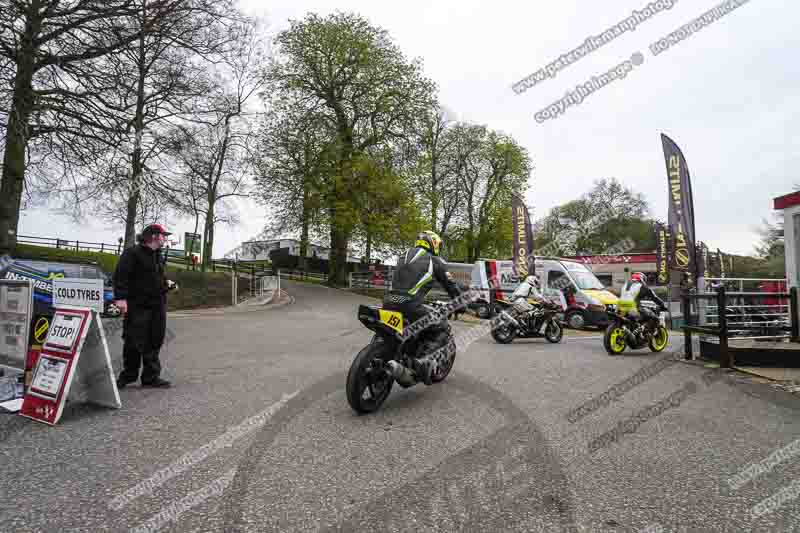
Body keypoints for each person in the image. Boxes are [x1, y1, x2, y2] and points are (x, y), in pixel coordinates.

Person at [383, 230, 463, 385]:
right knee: (442, 327)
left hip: (388, 302)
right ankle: (421, 363)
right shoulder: (435, 260)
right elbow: (451, 285)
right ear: (433, 243)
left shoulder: (403, 256)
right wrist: (460, 304)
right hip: (410, 306)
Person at [113, 223, 178, 388]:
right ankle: (128, 375)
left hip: (157, 305)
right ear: (154, 236)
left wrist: (167, 284)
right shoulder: (132, 253)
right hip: (137, 305)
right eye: (163, 236)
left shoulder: (158, 255)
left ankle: (150, 376)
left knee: (155, 339)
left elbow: (157, 278)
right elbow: (121, 276)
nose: (165, 239)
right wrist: (121, 298)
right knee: (133, 340)